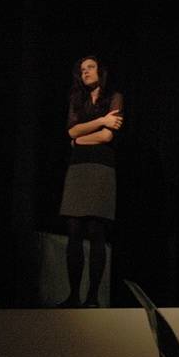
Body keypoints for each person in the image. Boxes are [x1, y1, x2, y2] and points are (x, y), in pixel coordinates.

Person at [58, 55, 123, 308]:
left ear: (100, 71)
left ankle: (93, 297)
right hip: (78, 169)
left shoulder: (114, 97)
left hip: (101, 168)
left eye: (90, 67)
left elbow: (106, 137)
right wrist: (101, 121)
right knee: (73, 230)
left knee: (97, 231)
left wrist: (78, 139)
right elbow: (71, 131)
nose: (85, 72)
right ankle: (73, 295)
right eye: (82, 69)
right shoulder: (77, 100)